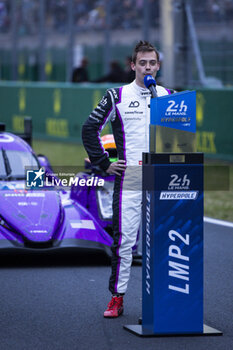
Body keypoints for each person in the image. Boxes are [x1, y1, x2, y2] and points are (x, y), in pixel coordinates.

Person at [82, 40, 175, 318]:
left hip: (163, 178)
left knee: (167, 240)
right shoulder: (116, 95)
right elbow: (89, 128)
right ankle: (117, 298)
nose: (148, 67)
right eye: (142, 63)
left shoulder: (169, 95)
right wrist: (103, 163)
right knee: (124, 241)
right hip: (130, 178)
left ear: (158, 66)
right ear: (133, 65)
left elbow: (181, 139)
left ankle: (166, 300)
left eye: (152, 63)